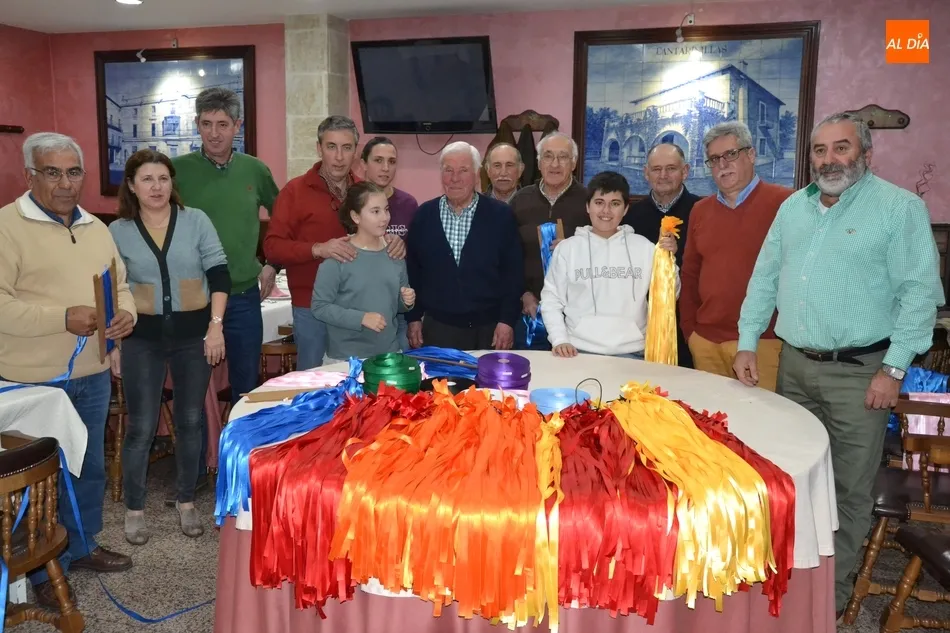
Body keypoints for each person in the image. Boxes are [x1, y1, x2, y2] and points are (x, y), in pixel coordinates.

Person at [734, 112, 944, 622]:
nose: (829, 159)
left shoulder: (899, 209)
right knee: (788, 481)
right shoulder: (793, 209)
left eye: (841, 148)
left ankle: (822, 606)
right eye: (820, 150)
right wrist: (746, 341)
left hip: (861, 375)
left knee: (848, 491)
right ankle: (782, 583)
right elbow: (765, 277)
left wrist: (893, 370)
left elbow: (920, 296)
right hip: (794, 370)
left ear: (865, 154)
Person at [0, 132, 136, 608]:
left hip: (92, 372)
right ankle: (37, 570)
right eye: (52, 172)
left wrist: (127, 314)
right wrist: (61, 318)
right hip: (29, 381)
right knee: (37, 478)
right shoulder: (6, 227)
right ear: (30, 176)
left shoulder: (97, 228)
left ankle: (81, 546)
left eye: (73, 172)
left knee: (88, 464)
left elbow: (120, 285)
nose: (64, 183)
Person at [109, 150, 230, 545]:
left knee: (190, 420)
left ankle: (186, 501)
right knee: (141, 427)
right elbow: (112, 290)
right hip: (140, 339)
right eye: (147, 179)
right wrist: (113, 345)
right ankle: (134, 510)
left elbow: (219, 273)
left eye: (163, 178)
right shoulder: (119, 231)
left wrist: (215, 328)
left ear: (171, 183)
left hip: (192, 336)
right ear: (132, 185)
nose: (156, 187)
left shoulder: (196, 221)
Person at [171, 87, 278, 501]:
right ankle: (195, 471)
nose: (214, 133)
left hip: (245, 295)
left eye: (223, 124)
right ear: (197, 125)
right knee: (192, 388)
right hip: (193, 301)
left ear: (237, 126)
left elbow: (283, 221)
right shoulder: (176, 171)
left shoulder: (255, 170)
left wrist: (272, 262)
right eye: (206, 124)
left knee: (247, 385)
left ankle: (245, 470)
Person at [264, 116, 406, 368]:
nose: (339, 156)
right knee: (316, 384)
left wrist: (392, 239)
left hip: (361, 309)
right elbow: (272, 247)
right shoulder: (294, 192)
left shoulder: (366, 191)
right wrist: (317, 249)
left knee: (366, 385)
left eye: (347, 147)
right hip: (312, 307)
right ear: (319, 149)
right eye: (331, 147)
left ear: (355, 152)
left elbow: (377, 228)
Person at [680, 121, 793, 391]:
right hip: (705, 342)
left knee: (761, 426)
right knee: (712, 425)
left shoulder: (786, 204)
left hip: (762, 343)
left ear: (751, 155)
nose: (723, 165)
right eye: (714, 159)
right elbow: (690, 273)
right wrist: (690, 332)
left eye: (731, 154)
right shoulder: (700, 210)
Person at [541, 171, 678, 359]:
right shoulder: (567, 249)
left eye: (615, 204)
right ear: (588, 207)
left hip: (633, 352)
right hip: (577, 351)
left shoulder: (645, 248)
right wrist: (559, 339)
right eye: (599, 203)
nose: (606, 211)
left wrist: (668, 261)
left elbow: (670, 296)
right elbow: (551, 299)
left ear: (626, 209)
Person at [406, 141, 523, 350]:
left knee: (489, 383)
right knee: (440, 383)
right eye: (448, 170)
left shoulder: (501, 216)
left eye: (463, 170)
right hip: (437, 329)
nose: (455, 178)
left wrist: (506, 320)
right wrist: (413, 318)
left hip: (491, 329)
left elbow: (513, 274)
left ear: (478, 174)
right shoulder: (423, 215)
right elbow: (412, 273)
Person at [311, 182, 415, 362]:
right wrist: (361, 318)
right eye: (375, 211)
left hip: (387, 355)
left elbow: (395, 306)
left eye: (386, 209)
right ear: (355, 216)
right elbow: (320, 307)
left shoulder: (395, 253)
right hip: (345, 359)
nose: (384, 218)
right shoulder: (339, 256)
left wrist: (406, 301)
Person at [622, 143, 701, 367]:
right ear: (646, 173)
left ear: (685, 171)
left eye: (671, 168)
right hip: (641, 326)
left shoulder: (702, 211)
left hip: (688, 323)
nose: (663, 175)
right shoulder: (630, 216)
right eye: (656, 169)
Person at [509, 132, 589, 350]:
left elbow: (602, 256)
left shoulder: (590, 202)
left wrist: (574, 248)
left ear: (573, 163)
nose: (555, 164)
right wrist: (523, 294)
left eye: (563, 157)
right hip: (528, 311)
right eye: (548, 156)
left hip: (577, 317)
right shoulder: (520, 200)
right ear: (538, 162)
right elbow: (508, 256)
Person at [359, 136, 419, 351]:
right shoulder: (352, 201)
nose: (385, 168)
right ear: (363, 164)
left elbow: (418, 257)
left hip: (399, 308)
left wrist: (405, 248)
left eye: (392, 161)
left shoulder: (409, 204)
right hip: (359, 310)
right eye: (378, 160)